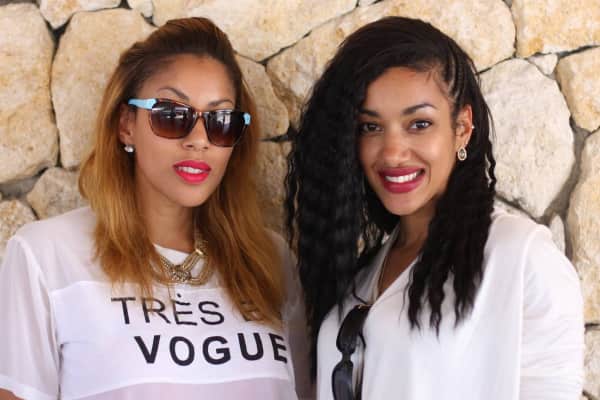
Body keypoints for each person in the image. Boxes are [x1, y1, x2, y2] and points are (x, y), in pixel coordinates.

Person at [0, 17, 311, 400]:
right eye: (172, 115)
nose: (199, 140)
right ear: (126, 124)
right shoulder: (46, 256)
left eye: (220, 120)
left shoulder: (269, 260)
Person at [285, 16, 584, 400]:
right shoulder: (365, 275)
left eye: (419, 124)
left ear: (462, 129)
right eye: (370, 127)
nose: (392, 153)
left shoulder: (520, 257)